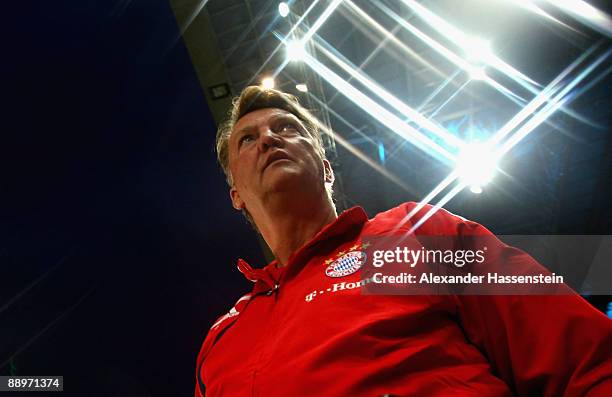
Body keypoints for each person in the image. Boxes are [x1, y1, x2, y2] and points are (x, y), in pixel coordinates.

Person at [195, 86, 612, 396]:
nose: (268, 139)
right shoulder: (223, 338)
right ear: (235, 194)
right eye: (247, 139)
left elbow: (586, 358)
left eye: (286, 127)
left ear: (326, 168)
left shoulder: (406, 235)